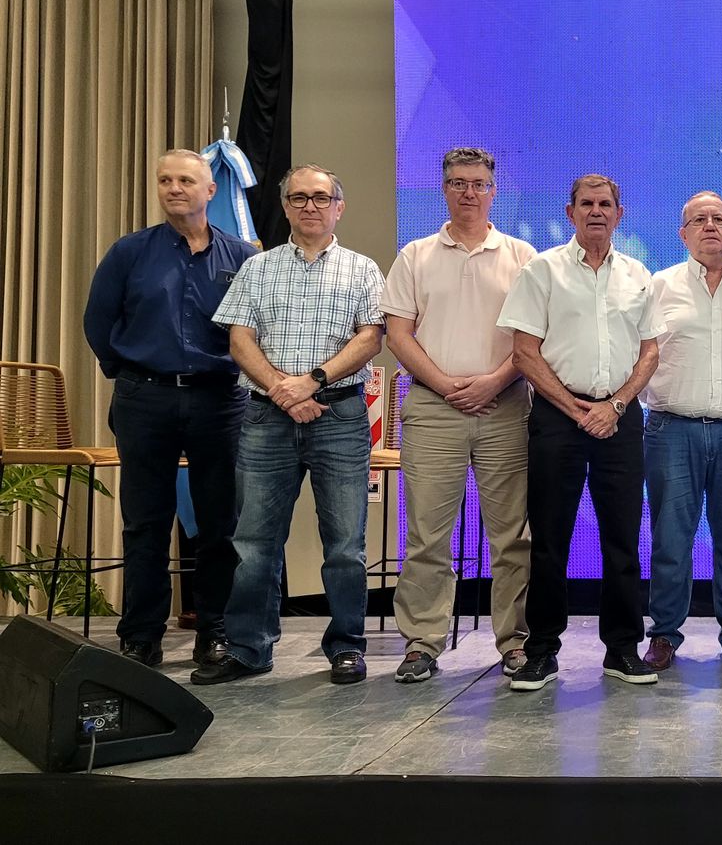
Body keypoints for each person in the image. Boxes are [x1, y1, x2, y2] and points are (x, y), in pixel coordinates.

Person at [194, 164, 386, 686]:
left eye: (321, 198)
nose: (310, 206)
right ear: (285, 207)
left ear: (339, 207)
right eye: (298, 198)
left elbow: (371, 338)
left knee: (345, 545)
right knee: (254, 542)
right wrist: (283, 389)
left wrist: (312, 382)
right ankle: (249, 649)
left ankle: (346, 646)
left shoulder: (363, 269)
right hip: (266, 416)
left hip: (339, 416)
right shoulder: (257, 268)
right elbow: (239, 340)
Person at [82, 149, 256, 668]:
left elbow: (257, 330)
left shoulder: (243, 258)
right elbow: (98, 321)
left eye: (185, 180)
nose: (174, 188)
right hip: (145, 398)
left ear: (211, 191)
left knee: (220, 522)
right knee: (145, 522)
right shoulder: (129, 252)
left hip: (219, 400)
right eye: (165, 180)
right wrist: (128, 373)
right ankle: (141, 636)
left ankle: (215, 630)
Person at [496, 174, 662, 691]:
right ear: (570, 213)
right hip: (556, 417)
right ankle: (542, 650)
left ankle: (623, 649)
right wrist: (575, 409)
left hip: (620, 416)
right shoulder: (542, 270)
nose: (596, 211)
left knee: (623, 539)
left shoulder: (638, 274)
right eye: (586, 203)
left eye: (605, 204)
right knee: (549, 540)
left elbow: (650, 351)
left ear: (619, 214)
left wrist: (615, 405)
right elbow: (524, 352)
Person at [381, 147, 535, 683]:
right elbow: (398, 334)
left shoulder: (522, 256)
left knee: (513, 537)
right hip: (433, 406)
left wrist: (493, 381)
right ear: (443, 189)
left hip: (505, 405)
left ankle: (515, 642)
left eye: (478, 184)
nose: (469, 192)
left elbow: (532, 339)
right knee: (427, 535)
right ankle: (422, 643)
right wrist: (446, 385)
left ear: (494, 191)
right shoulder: (415, 255)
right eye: (458, 183)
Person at [641, 192, 722, 671]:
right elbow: (638, 353)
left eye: (719, 219)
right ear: (683, 233)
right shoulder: (658, 286)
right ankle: (664, 634)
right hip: (671, 430)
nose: (710, 226)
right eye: (699, 219)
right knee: (671, 540)